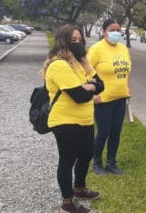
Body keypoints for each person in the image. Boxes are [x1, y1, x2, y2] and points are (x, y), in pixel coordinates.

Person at [43, 25, 104, 213]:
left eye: (80, 40)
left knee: (86, 156)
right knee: (68, 160)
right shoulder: (58, 65)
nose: (78, 43)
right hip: (65, 122)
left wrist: (90, 85)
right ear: (63, 42)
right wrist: (89, 87)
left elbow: (100, 85)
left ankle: (79, 188)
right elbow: (80, 96)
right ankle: (67, 203)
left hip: (85, 119)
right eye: (73, 40)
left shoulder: (79, 63)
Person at [88, 19, 132, 175]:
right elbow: (84, 72)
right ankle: (97, 162)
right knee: (103, 132)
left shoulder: (123, 48)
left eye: (118, 30)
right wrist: (92, 94)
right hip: (103, 99)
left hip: (120, 98)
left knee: (116, 132)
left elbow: (126, 70)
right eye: (112, 29)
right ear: (104, 31)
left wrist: (127, 87)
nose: (116, 32)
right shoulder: (96, 49)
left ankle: (111, 162)